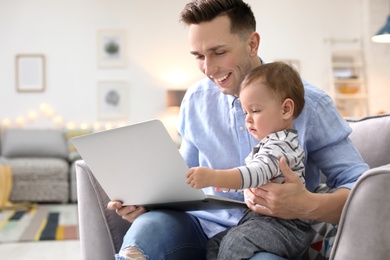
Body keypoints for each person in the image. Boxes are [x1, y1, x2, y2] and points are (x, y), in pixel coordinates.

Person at [107, 1, 369, 259]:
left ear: (252, 44)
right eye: (199, 56)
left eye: (219, 52)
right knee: (145, 231)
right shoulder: (196, 100)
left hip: (272, 233)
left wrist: (307, 205)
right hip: (201, 227)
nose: (208, 69)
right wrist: (145, 203)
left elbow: (364, 190)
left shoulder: (309, 103)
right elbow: (182, 183)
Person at [186, 61, 315, 259]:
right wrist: (228, 186)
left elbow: (254, 174)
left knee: (236, 242)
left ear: (286, 109)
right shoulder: (268, 143)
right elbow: (257, 181)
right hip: (260, 220)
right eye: (245, 112)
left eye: (255, 111)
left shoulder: (282, 146)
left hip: (286, 226)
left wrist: (215, 178)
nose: (247, 119)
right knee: (216, 244)